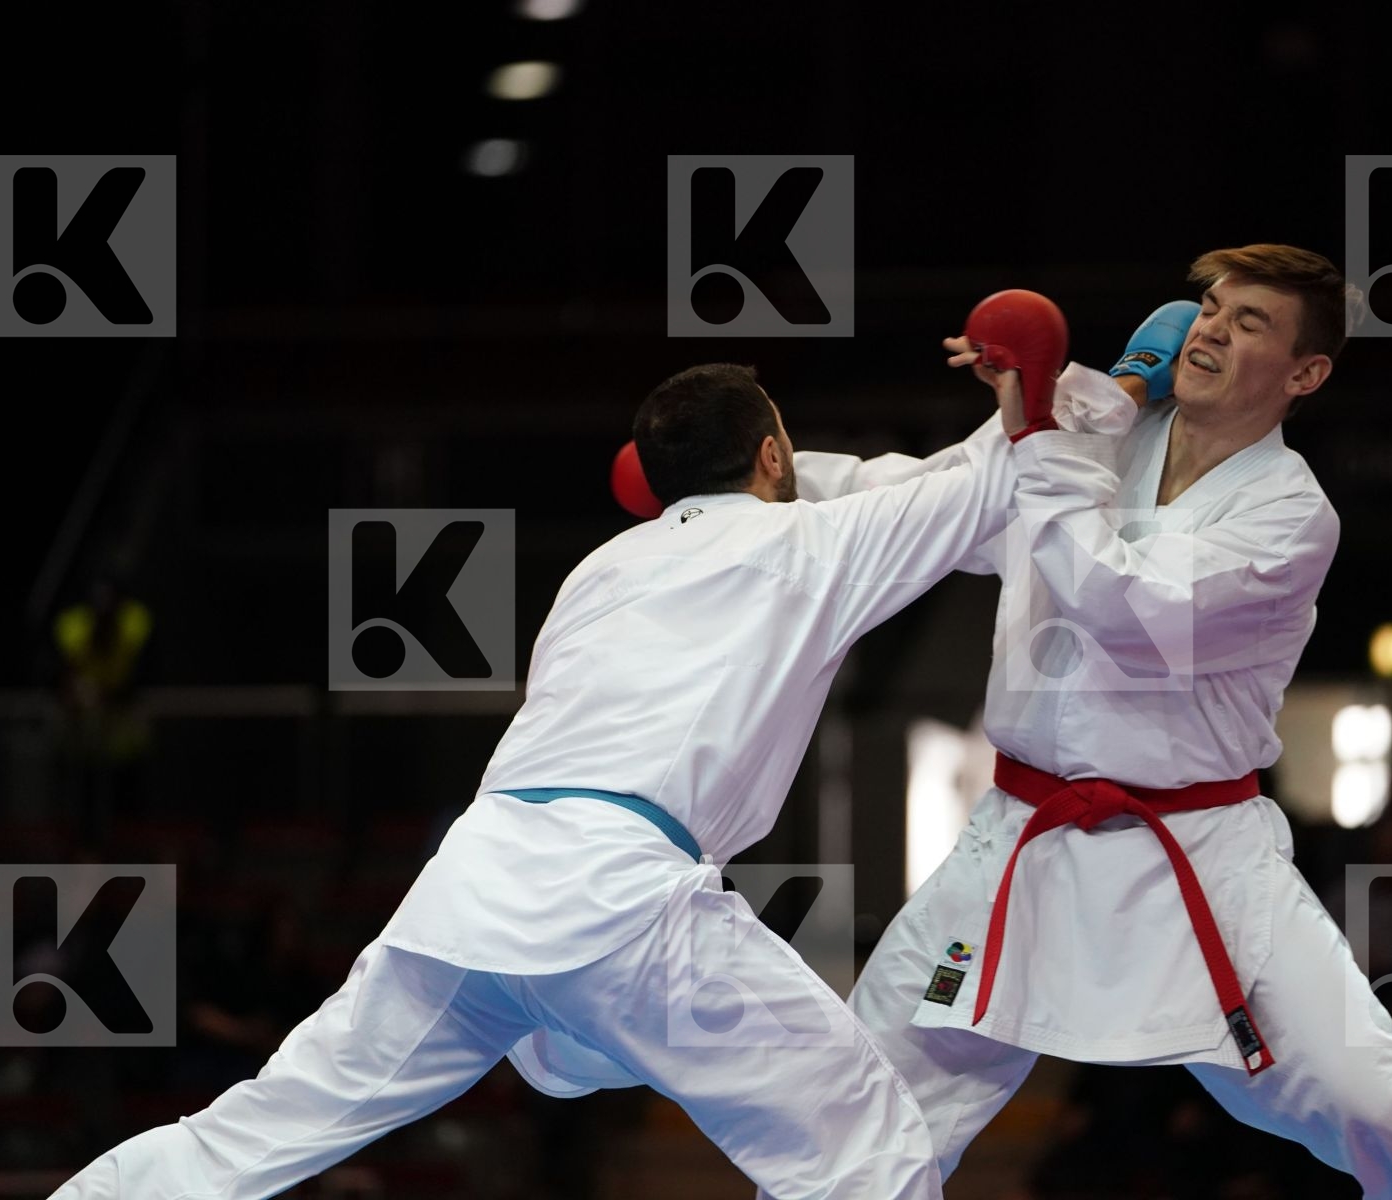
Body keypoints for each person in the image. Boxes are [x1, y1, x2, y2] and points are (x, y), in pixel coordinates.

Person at [53, 357, 1057, 1200]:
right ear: (770, 456)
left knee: (250, 1136)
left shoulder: (601, 568)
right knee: (867, 1148)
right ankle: (575, 1042)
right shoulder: (804, 541)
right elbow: (984, 486)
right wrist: (1032, 379)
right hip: (624, 903)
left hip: (470, 895)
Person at [785, 245, 1392, 1198]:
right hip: (1018, 848)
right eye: (1211, 308)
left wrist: (1042, 440)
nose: (1214, 327)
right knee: (866, 1108)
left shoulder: (1289, 514)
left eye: (1250, 321)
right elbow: (920, 500)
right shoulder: (1101, 433)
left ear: (1306, 375)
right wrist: (762, 478)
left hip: (1198, 859)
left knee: (1373, 1103)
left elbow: (1123, 610)